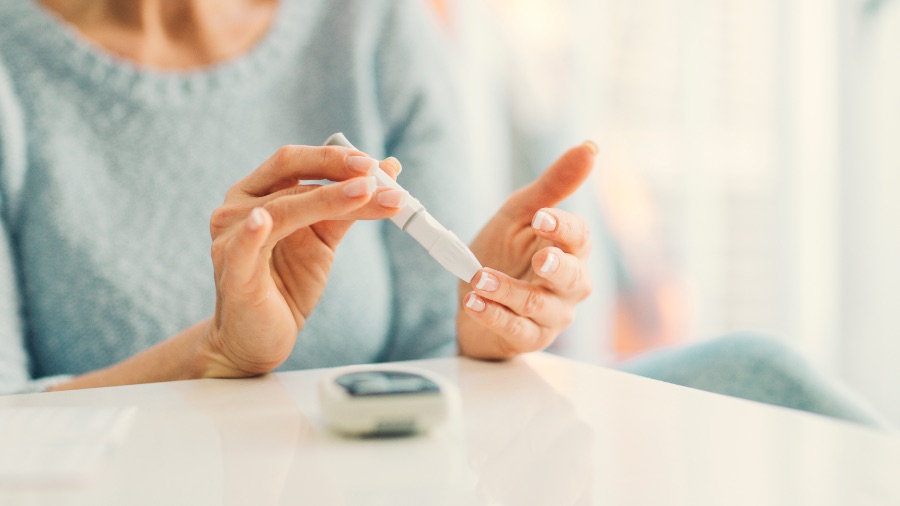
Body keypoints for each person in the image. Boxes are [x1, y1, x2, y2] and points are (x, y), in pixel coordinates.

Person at [0, 0, 890, 430]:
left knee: (764, 378)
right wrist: (214, 356)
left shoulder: (368, 23)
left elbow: (445, 371)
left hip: (394, 472)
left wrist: (488, 327)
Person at [0, 0, 593, 393]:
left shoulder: (369, 22)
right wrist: (215, 355)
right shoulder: (16, 68)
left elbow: (435, 358)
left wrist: (481, 337)